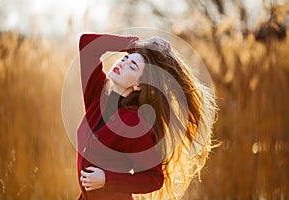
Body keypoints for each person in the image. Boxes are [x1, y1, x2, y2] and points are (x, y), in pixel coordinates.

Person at [77, 33, 217, 200]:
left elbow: (153, 178)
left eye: (132, 66)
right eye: (125, 59)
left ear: (138, 85)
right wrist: (136, 44)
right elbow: (87, 44)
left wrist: (108, 179)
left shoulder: (135, 123)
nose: (122, 64)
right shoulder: (96, 96)